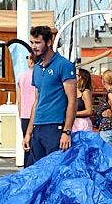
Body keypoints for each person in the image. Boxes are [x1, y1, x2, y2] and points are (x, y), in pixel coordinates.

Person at [22, 26, 76, 165]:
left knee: (53, 171)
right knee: (37, 173)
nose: (34, 47)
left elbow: (72, 101)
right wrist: (28, 133)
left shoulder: (64, 65)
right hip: (38, 127)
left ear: (49, 42)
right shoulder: (37, 68)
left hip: (55, 127)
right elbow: (37, 101)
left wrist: (67, 131)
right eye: (32, 42)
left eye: (38, 42)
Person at [16, 53, 36, 168]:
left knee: (26, 144)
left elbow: (18, 100)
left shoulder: (21, 76)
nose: (27, 60)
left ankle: (26, 169)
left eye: (28, 58)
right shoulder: (39, 75)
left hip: (24, 114)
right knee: (36, 147)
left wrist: (20, 114)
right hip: (37, 114)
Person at [72, 69, 94, 133]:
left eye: (75, 75)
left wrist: (73, 114)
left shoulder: (85, 92)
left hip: (82, 124)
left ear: (80, 77)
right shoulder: (73, 91)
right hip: (74, 123)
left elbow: (89, 111)